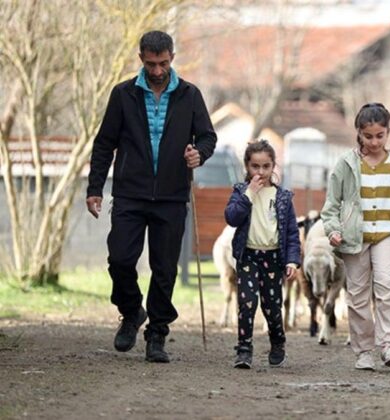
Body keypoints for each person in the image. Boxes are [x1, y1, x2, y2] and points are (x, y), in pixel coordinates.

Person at [86, 30, 217, 363]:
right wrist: (94, 189)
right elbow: (104, 144)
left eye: (162, 63)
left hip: (172, 196)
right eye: (150, 63)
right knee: (120, 259)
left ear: (172, 56)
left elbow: (207, 137)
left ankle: (157, 333)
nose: (157, 70)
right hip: (130, 192)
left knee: (164, 269)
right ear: (140, 58)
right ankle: (131, 312)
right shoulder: (123, 95)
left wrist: (198, 154)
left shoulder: (189, 95)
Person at [321, 102, 390, 370]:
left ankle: (389, 345)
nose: (374, 141)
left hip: (387, 235)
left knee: (387, 286)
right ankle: (364, 351)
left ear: (388, 132)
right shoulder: (345, 165)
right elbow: (331, 206)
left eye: (380, 135)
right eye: (368, 136)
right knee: (357, 294)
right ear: (358, 133)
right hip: (355, 238)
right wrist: (333, 230)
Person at [224, 139, 301, 369]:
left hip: (273, 258)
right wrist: (248, 194)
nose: (261, 172)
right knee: (246, 302)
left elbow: (292, 233)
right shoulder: (240, 192)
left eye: (266, 166)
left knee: (272, 306)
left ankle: (277, 341)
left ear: (273, 166)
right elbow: (232, 217)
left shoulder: (283, 197)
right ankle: (244, 349)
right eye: (255, 167)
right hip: (248, 256)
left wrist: (293, 261)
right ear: (247, 167)